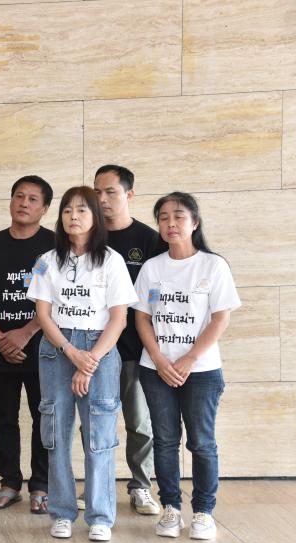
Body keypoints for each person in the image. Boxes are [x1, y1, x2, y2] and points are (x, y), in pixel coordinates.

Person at [26, 186, 136, 542]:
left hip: (100, 347)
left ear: (96, 217)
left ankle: (100, 515)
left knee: (100, 435)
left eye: (82, 210)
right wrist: (72, 353)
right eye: (67, 210)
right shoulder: (46, 260)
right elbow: (43, 315)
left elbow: (119, 318)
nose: (73, 216)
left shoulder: (112, 260)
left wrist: (90, 361)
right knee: (55, 433)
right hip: (57, 349)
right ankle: (61, 512)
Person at [134, 192, 240, 540]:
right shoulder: (152, 268)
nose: (171, 223)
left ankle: (204, 512)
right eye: (163, 217)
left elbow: (220, 318)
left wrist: (190, 358)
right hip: (156, 369)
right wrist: (159, 359)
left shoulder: (213, 266)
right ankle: (171, 508)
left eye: (178, 216)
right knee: (165, 441)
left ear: (194, 222)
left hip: (202, 371)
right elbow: (142, 318)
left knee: (202, 442)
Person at [0, 176, 55, 514]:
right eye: (19, 196)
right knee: (3, 418)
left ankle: (41, 486)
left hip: (44, 348)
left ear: (45, 208)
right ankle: (10, 483)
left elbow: (60, 297)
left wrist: (27, 332)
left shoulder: (55, 246)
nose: (24, 203)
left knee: (43, 418)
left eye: (33, 199)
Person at [91, 164, 164, 516]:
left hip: (136, 349)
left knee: (139, 424)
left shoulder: (149, 240)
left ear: (129, 195)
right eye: (97, 192)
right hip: (94, 349)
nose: (102, 199)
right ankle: (95, 488)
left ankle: (141, 487)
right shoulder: (88, 237)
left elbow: (158, 295)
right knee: (94, 422)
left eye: (111, 192)